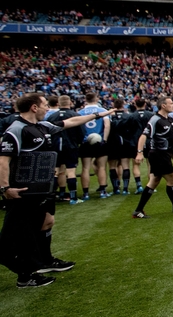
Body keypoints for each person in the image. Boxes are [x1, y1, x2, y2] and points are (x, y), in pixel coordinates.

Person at [0, 93, 113, 288]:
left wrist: (99, 115)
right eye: (44, 105)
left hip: (41, 188)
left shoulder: (42, 126)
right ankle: (26, 275)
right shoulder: (17, 129)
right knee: (20, 234)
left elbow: (72, 121)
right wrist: (5, 188)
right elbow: (3, 160)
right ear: (34, 107)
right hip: (23, 190)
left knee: (47, 222)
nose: (47, 108)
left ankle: (45, 261)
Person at [45, 96, 84, 204]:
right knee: (71, 172)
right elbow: (81, 132)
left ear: (58, 103)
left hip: (55, 146)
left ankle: (55, 196)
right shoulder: (75, 115)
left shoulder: (52, 116)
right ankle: (73, 198)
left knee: (56, 172)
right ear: (70, 102)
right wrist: (78, 142)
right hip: (70, 146)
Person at [77, 92, 111, 200]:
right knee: (101, 167)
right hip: (99, 140)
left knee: (85, 168)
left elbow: (78, 127)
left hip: (85, 142)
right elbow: (107, 125)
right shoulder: (103, 111)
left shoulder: (80, 112)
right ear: (96, 99)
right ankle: (102, 191)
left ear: (85, 100)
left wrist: (81, 139)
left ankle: (86, 193)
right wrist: (104, 139)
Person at [129, 98, 154, 194]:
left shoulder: (131, 116)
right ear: (145, 104)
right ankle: (150, 185)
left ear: (135, 105)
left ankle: (139, 185)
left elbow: (129, 129)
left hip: (135, 141)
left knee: (135, 164)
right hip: (148, 140)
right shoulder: (150, 115)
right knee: (150, 164)